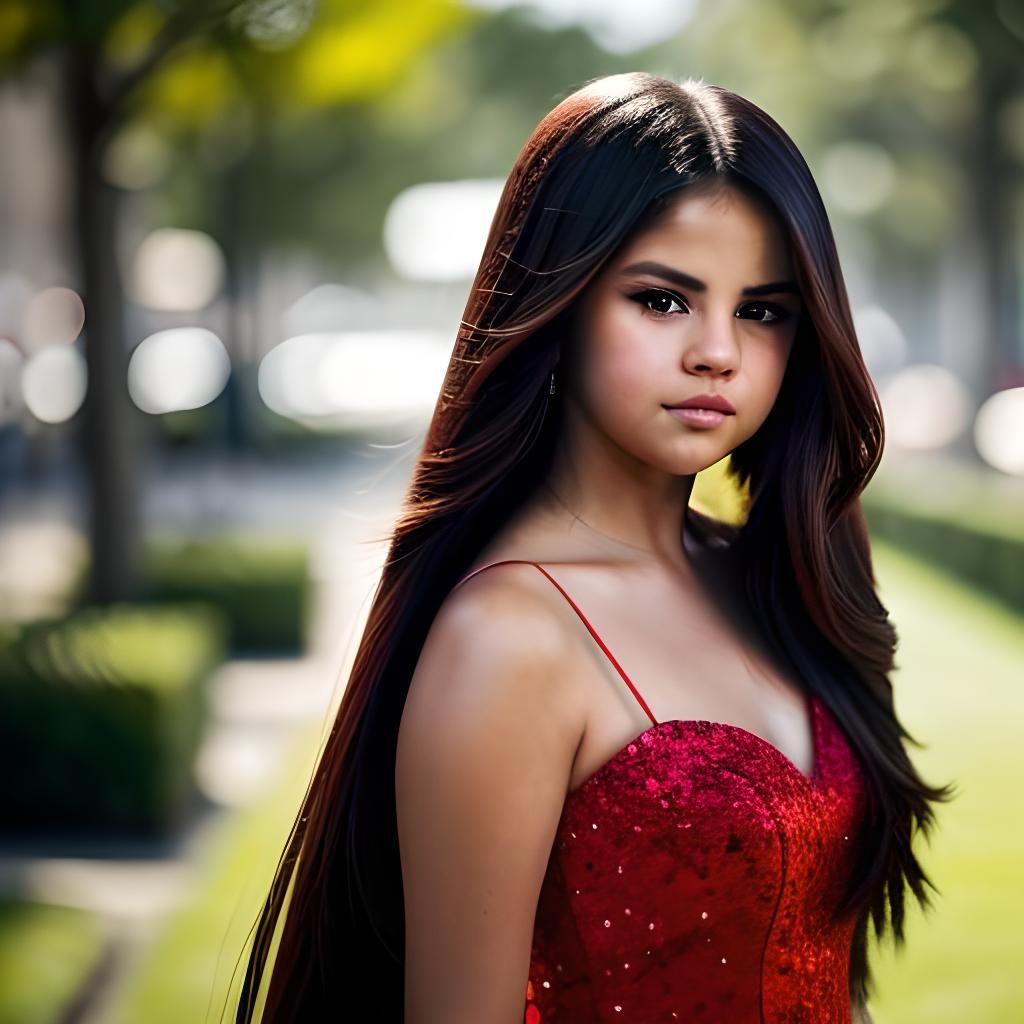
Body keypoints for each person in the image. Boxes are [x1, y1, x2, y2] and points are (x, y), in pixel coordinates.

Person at [233, 72, 953, 1024]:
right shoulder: (508, 638)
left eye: (762, 311)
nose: (718, 352)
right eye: (662, 300)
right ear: (560, 299)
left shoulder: (770, 576)